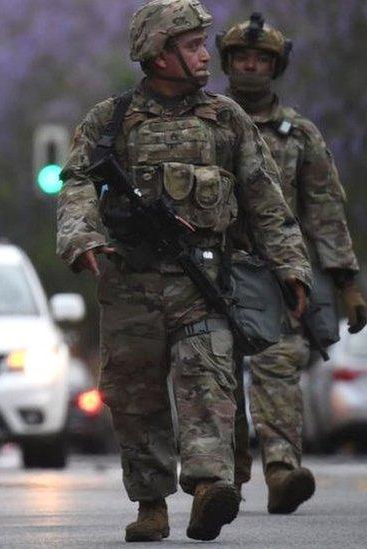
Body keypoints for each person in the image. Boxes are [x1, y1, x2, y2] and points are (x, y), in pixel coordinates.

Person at [56, 0, 312, 542]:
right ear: (158, 53)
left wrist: (291, 267)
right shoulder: (110, 120)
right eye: (192, 45)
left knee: (207, 381)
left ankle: (208, 489)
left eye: (202, 43)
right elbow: (75, 182)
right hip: (129, 285)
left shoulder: (226, 119)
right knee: (134, 396)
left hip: (203, 282)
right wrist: (83, 237)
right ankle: (151, 505)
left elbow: (265, 200)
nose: (204, 55)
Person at [217, 13, 367, 514]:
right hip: (209, 268)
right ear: (227, 63)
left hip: (279, 273)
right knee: (213, 369)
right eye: (242, 58)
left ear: (276, 67)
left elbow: (324, 210)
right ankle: (222, 479)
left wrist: (346, 283)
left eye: (262, 59)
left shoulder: (298, 133)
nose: (252, 67)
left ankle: (282, 469)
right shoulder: (204, 120)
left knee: (278, 362)